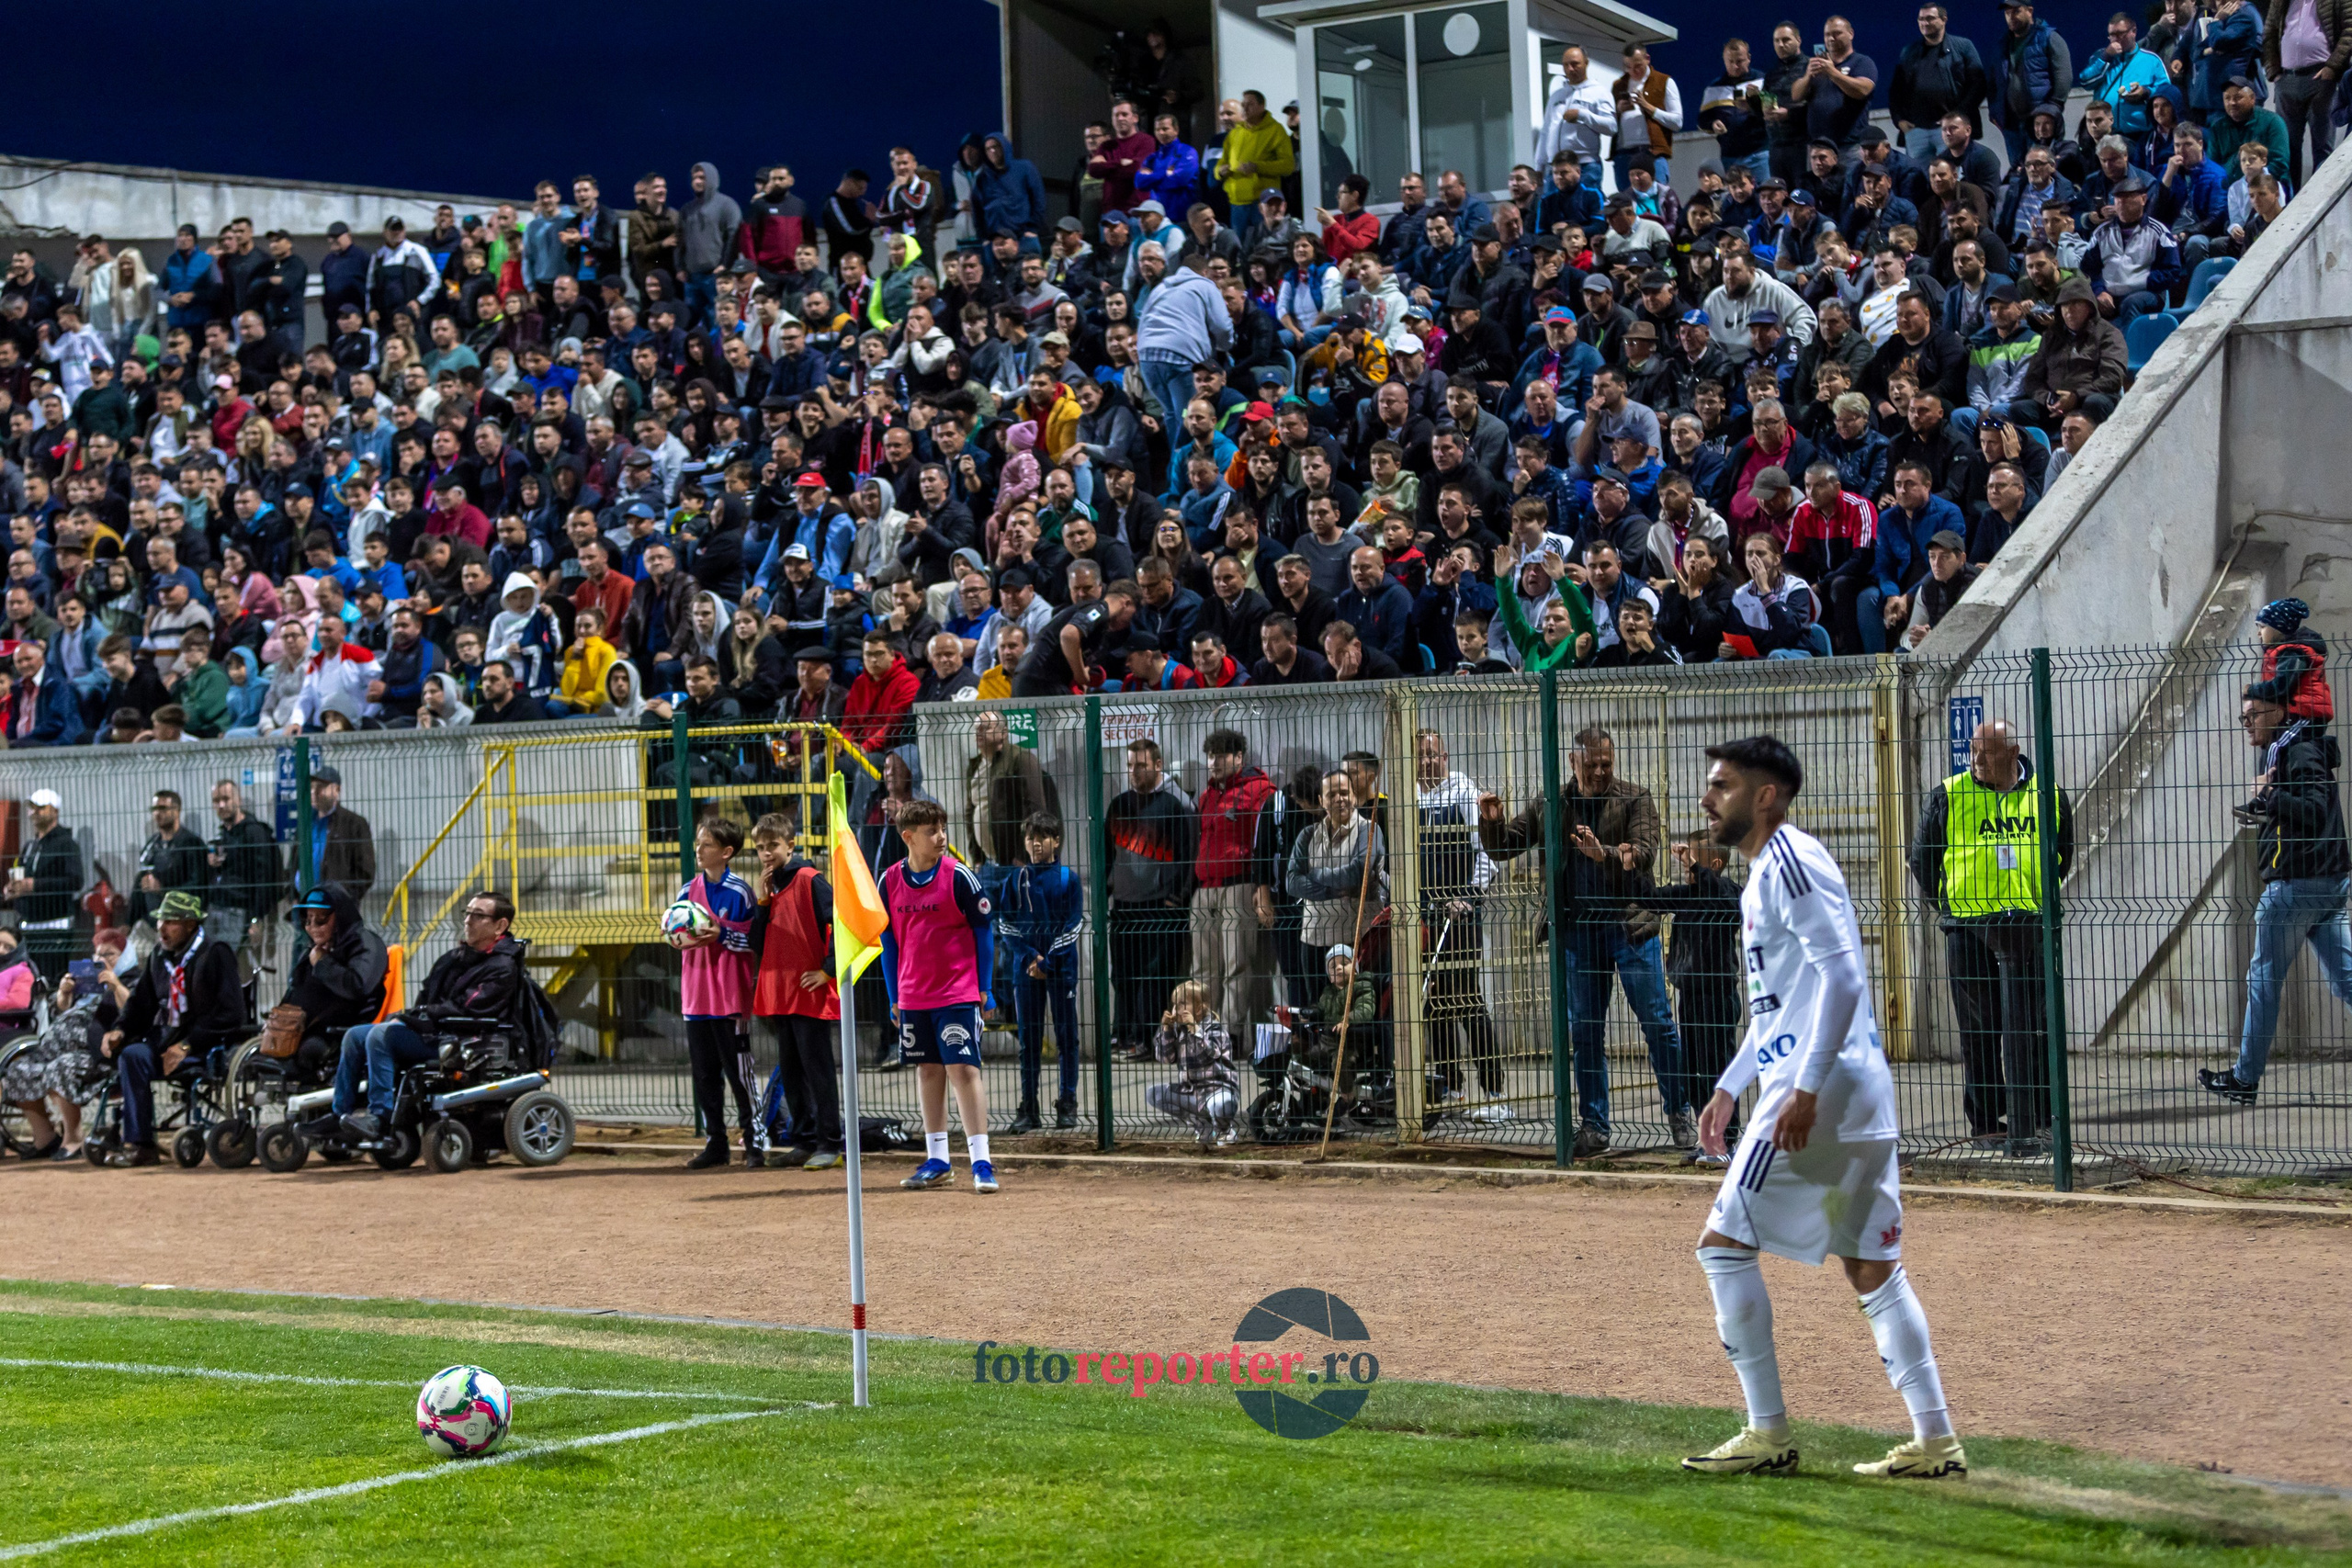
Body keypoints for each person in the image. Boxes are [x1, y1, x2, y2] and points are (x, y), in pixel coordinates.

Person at [1681, 734, 1964, 1483]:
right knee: (1874, 1267)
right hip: (1856, 1093)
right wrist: (1727, 1084)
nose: (1709, 799)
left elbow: (1843, 979)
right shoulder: (1773, 869)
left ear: (1766, 795)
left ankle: (1766, 1431)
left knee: (1721, 1244)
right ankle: (1936, 1440)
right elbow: (1785, 1006)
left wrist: (1800, 1091)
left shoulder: (1788, 862)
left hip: (1821, 1095)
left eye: (1723, 786)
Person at [1478, 726, 1690, 1156]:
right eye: (1590, 763)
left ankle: (1680, 1113)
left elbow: (1646, 850)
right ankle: (1594, 1126)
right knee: (1585, 1032)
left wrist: (1605, 854)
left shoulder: (1635, 798)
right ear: (1572, 762)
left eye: (1606, 763)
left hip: (1630, 925)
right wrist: (1492, 822)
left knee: (1658, 1023)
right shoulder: (1550, 803)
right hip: (1579, 931)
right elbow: (1505, 848)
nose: (1599, 771)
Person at [1908, 719, 2073, 1154]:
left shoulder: (2048, 795)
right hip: (1970, 927)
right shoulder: (1948, 796)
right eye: (1973, 751)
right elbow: (1923, 862)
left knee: (2036, 1025)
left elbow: (2063, 855)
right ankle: (1986, 1120)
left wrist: (2036, 895)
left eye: (1988, 752)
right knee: (1979, 1029)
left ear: (2014, 752)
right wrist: (1949, 907)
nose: (1977, 760)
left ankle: (2039, 1116)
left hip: (2028, 925)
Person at [2200, 688, 2352, 1104]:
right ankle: (2244, 1078)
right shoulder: (2291, 751)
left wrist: (2270, 794)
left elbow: (2315, 808)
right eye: (2243, 716)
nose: (2246, 723)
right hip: (2323, 883)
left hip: (2296, 885)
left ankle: (2245, 1080)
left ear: (2279, 712)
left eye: (2253, 715)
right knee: (2347, 980)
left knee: (2264, 980)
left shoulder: (2298, 751)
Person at [330, 888, 525, 1142]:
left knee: (381, 1036)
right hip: (434, 1031)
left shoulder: (502, 967)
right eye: (467, 913)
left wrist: (416, 1017)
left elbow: (466, 1009)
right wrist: (413, 1017)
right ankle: (339, 1116)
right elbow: (427, 996)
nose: (467, 920)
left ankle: (380, 1117)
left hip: (463, 1040)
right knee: (355, 1036)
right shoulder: (453, 959)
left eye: (478, 916)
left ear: (500, 926)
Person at [881, 798, 1001, 1194]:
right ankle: (938, 1160)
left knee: (964, 1071)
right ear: (908, 837)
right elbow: (888, 940)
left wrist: (984, 987)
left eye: (943, 828)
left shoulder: (959, 876)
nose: (942, 836)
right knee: (927, 1071)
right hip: (914, 996)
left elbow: (984, 931)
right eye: (932, 831)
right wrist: (894, 995)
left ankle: (981, 1162)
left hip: (956, 993)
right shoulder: (889, 881)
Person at [97, 889, 244, 1167]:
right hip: (168, 1042)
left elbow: (231, 1014)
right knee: (132, 1055)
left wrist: (188, 1044)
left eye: (171, 921)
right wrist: (120, 1030)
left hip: (208, 1046)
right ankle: (141, 1145)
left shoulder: (215, 954)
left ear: (191, 924)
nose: (161, 928)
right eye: (160, 921)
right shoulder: (159, 957)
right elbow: (141, 1005)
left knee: (152, 1053)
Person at [1416, 730, 1505, 1117]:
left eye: (1433, 755)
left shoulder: (1463, 792)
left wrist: (1468, 894)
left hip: (1461, 913)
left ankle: (1495, 1091)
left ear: (1446, 757)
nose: (1427, 762)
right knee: (1434, 1003)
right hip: (1424, 914)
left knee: (1466, 998)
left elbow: (1489, 852)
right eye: (1420, 756)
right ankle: (1451, 1086)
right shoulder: (1410, 799)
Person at [748, 813, 843, 1171]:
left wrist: (828, 971)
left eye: (773, 845)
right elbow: (757, 943)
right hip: (780, 993)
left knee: (817, 1069)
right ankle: (802, 1140)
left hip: (809, 992)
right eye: (759, 848)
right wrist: (761, 903)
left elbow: (840, 923)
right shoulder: (768, 888)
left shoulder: (810, 880)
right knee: (790, 1071)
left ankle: (830, 1143)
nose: (766, 853)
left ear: (791, 845)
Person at [669, 815, 764, 1169]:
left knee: (739, 1072)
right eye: (698, 842)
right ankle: (716, 1143)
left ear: (726, 852)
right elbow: (677, 937)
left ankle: (755, 1143)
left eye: (706, 844)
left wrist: (721, 935)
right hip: (696, 998)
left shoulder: (740, 892)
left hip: (729, 998)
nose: (699, 848)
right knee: (705, 1074)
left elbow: (755, 942)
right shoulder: (686, 892)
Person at [1105, 737, 1197, 1056]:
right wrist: (1107, 889)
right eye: (1130, 766)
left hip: (1159, 906)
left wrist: (1179, 896)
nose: (1134, 772)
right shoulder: (1118, 805)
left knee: (1155, 978)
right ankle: (1125, 1035)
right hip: (1125, 906)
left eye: (1141, 766)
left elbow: (1189, 856)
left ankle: (1149, 1040)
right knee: (1122, 975)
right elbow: (1107, 854)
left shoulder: (1175, 806)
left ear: (1158, 765)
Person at [997, 810, 1085, 1133]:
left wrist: (1048, 961)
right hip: (1026, 972)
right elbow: (1006, 924)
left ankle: (1067, 1103)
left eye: (1043, 838)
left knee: (1067, 1038)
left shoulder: (1067, 879)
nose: (1036, 844)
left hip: (1060, 971)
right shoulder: (1015, 880)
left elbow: (1073, 925)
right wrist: (1029, 958)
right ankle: (1028, 1108)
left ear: (1056, 841)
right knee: (1028, 1041)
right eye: (1031, 838)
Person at [278, 883, 390, 1079]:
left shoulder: (365, 943)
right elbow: (295, 989)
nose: (312, 928)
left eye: (321, 920)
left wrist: (323, 963)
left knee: (306, 1051)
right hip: (298, 1030)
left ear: (340, 919)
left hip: (339, 1031)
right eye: (308, 921)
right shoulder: (313, 949)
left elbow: (358, 986)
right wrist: (278, 1021)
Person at [1147, 979, 1240, 1145]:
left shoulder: (1215, 1029)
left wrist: (1195, 1030)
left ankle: (1224, 1131)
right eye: (1175, 1004)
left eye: (1183, 1004)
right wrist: (1166, 1030)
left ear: (1199, 1008)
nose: (1176, 1009)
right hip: (1192, 1092)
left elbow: (1207, 1055)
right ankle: (1202, 1126)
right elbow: (1165, 1058)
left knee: (1222, 1105)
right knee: (1154, 1094)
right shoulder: (1178, 1030)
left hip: (1217, 1090)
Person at [6, 788, 84, 985]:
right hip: (29, 928)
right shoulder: (30, 846)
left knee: (52, 981)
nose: (34, 813)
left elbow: (76, 881)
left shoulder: (67, 844)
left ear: (55, 811)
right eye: (32, 808)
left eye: (40, 808)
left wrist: (35, 885)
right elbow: (21, 876)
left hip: (54, 928)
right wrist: (12, 889)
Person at [293, 764, 376, 902]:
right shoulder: (305, 823)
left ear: (337, 790)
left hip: (336, 906)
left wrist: (346, 899)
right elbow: (294, 861)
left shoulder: (353, 824)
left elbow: (365, 870)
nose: (314, 792)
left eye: (321, 787)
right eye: (312, 787)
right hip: (305, 902)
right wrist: (293, 895)